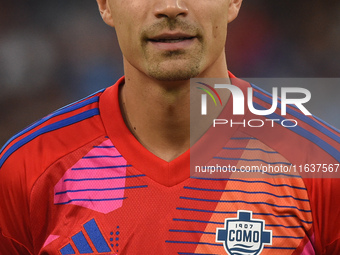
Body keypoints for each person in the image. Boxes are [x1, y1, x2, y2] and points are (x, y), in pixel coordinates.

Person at [0, 0, 339, 254]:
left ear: (234, 1)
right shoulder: (26, 170)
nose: (171, 7)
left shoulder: (322, 167)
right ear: (105, 5)